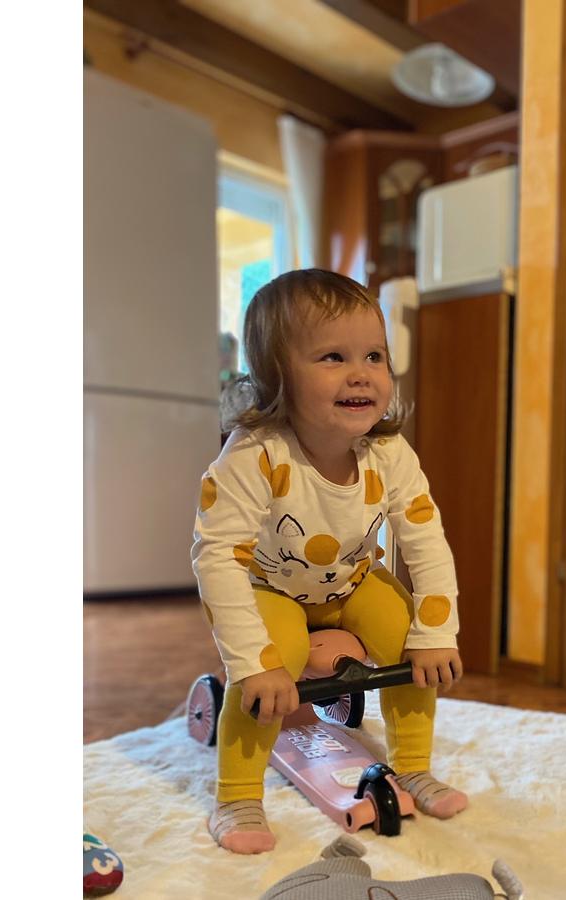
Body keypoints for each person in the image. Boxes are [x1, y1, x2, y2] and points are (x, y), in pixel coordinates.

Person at [192, 268, 467, 855]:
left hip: (351, 582)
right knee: (274, 660)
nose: (361, 373)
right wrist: (254, 664)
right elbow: (217, 557)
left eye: (374, 355)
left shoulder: (388, 452)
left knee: (405, 632)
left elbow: (425, 540)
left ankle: (414, 765)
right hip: (272, 589)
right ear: (276, 376)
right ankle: (236, 796)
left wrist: (435, 634)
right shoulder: (255, 454)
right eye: (333, 357)